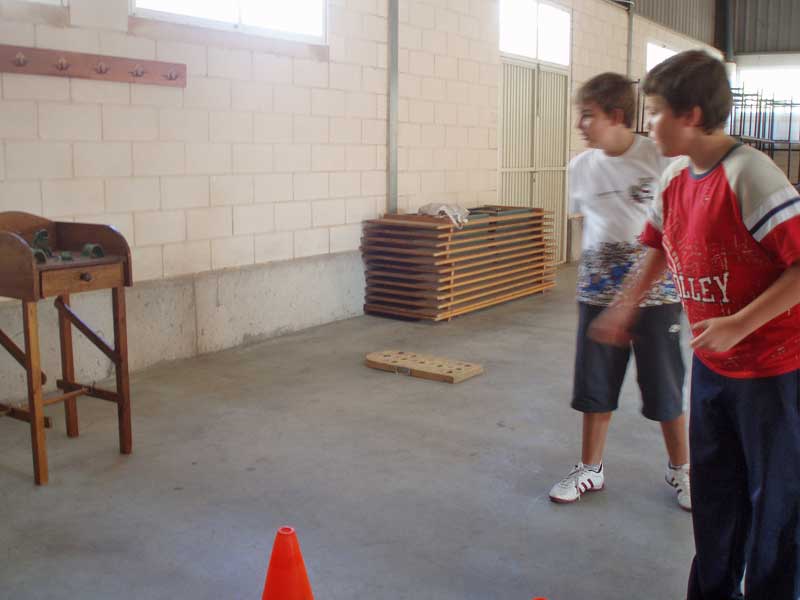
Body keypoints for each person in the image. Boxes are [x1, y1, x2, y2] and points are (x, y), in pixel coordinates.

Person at [591, 50, 800, 599]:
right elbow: (658, 247)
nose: (647, 124)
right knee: (715, 497)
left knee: (774, 503)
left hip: (774, 372)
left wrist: (739, 323)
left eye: (655, 111)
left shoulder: (749, 174)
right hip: (712, 370)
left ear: (690, 115)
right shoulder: (676, 176)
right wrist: (624, 305)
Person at [548, 72, 691, 511]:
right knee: (595, 386)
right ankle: (591, 467)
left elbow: (676, 230)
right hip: (597, 295)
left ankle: (682, 470)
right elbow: (592, 225)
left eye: (588, 116)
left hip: (656, 297)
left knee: (665, 389)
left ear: (616, 116)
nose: (581, 125)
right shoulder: (581, 167)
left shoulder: (659, 159)